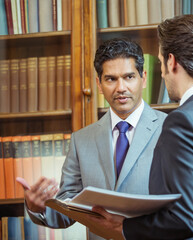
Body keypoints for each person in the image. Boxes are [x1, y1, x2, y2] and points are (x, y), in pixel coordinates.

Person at [89, 15, 193, 239]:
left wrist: (122, 228)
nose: (162, 73)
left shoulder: (182, 121)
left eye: (160, 63)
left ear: (171, 61)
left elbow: (185, 219)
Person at [16, 38, 167, 240]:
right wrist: (37, 207)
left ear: (144, 78)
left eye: (129, 77)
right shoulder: (81, 141)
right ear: (99, 83)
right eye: (111, 79)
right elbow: (66, 210)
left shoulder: (170, 129)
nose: (121, 87)